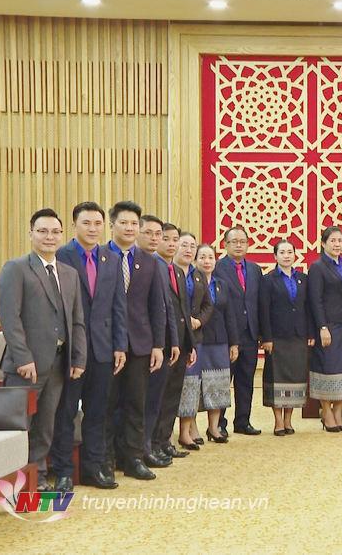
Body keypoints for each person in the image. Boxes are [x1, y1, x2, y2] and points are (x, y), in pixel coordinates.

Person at [0, 209, 86, 492]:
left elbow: (77, 320)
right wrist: (23, 357)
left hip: (59, 364)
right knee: (20, 425)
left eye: (55, 232)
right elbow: (10, 318)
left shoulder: (69, 274)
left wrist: (78, 357)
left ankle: (37, 477)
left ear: (63, 234)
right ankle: (14, 482)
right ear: (31, 234)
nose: (49, 237)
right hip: (27, 365)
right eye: (43, 231)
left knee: (46, 425)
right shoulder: (17, 268)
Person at [50, 202, 127, 491]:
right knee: (66, 412)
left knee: (98, 411)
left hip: (104, 349)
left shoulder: (111, 258)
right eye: (86, 223)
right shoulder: (62, 256)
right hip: (72, 350)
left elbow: (118, 306)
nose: (93, 229)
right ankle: (64, 471)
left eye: (98, 223)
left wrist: (120, 345)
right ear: (74, 226)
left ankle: (94, 469)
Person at [105, 201, 166, 481]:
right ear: (112, 225)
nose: (130, 228)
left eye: (134, 224)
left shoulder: (149, 261)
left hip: (141, 344)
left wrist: (158, 345)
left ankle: (133, 458)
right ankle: (106, 459)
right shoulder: (102, 257)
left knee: (135, 404)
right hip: (106, 344)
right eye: (124, 223)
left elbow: (156, 306)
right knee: (106, 404)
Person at [150, 222, 197, 462]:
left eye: (174, 239)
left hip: (179, 344)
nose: (171, 244)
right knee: (157, 397)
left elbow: (183, 311)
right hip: (162, 344)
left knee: (172, 396)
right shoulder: (153, 267)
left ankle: (165, 440)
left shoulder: (177, 270)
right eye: (166, 239)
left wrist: (190, 344)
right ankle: (153, 444)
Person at [135, 215, 179, 470]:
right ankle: (139, 449)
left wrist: (171, 340)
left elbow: (165, 308)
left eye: (158, 234)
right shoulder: (131, 262)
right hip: (140, 345)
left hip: (160, 345)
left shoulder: (160, 264)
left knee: (154, 401)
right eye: (149, 233)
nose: (154, 238)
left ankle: (148, 445)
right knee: (138, 403)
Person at [260, 239, 313, 436]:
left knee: (295, 378)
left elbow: (308, 308)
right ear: (275, 256)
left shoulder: (303, 279)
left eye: (290, 252)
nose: (286, 255)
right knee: (277, 378)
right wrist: (266, 337)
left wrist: (310, 333)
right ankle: (278, 421)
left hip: (298, 336)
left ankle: (289, 420)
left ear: (295, 255)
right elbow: (263, 310)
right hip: (276, 337)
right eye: (282, 252)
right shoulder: (268, 280)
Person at [215, 226, 263, 436]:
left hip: (251, 333)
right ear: (225, 245)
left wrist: (262, 332)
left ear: (247, 244)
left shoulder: (254, 269)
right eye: (234, 241)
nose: (238, 245)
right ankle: (219, 423)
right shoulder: (217, 268)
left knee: (246, 380)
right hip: (228, 334)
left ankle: (243, 421)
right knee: (225, 380)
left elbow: (259, 303)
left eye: (242, 241)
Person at [190, 244, 240, 444]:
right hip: (196, 340)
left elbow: (230, 315)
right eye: (202, 257)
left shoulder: (221, 284)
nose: (207, 261)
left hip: (219, 341)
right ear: (195, 260)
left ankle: (214, 427)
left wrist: (234, 342)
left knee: (218, 385)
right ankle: (192, 428)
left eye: (210, 257)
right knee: (193, 385)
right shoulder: (190, 282)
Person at [308, 226, 342, 432]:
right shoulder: (317, 267)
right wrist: (322, 327)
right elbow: (315, 300)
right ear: (323, 243)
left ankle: (338, 412)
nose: (337, 244)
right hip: (328, 326)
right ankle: (326, 412)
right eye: (333, 241)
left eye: (340, 240)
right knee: (327, 367)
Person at [175, 233, 213, 450]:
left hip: (195, 337)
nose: (188, 250)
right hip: (174, 337)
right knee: (173, 388)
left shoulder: (198, 275)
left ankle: (186, 431)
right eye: (184, 245)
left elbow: (208, 305)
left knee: (191, 385)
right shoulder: (171, 271)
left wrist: (198, 321)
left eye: (192, 246)